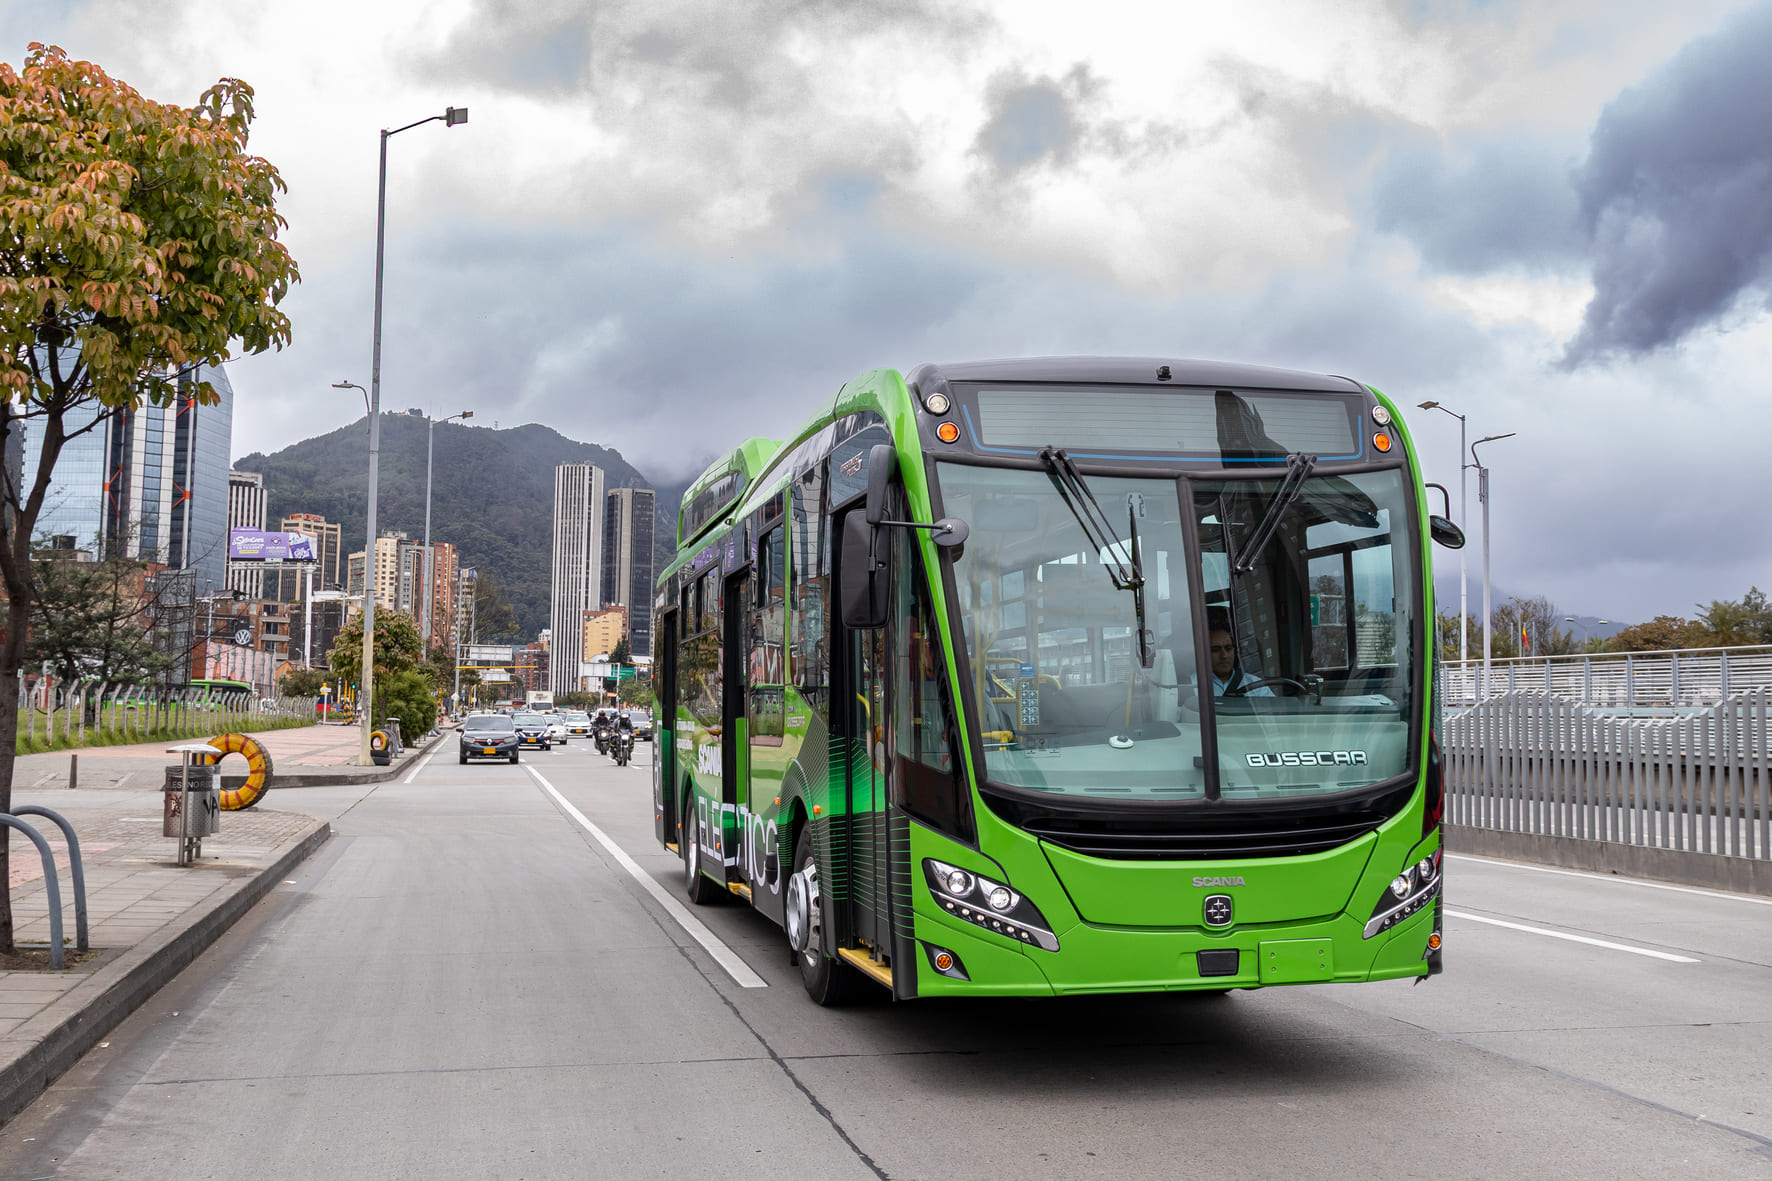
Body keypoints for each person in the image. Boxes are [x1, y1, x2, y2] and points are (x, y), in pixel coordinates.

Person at [1207, 620, 1274, 697]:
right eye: (1215, 650)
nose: (1224, 655)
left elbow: (1274, 709)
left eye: (1228, 648)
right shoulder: (1194, 685)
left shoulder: (1255, 684)